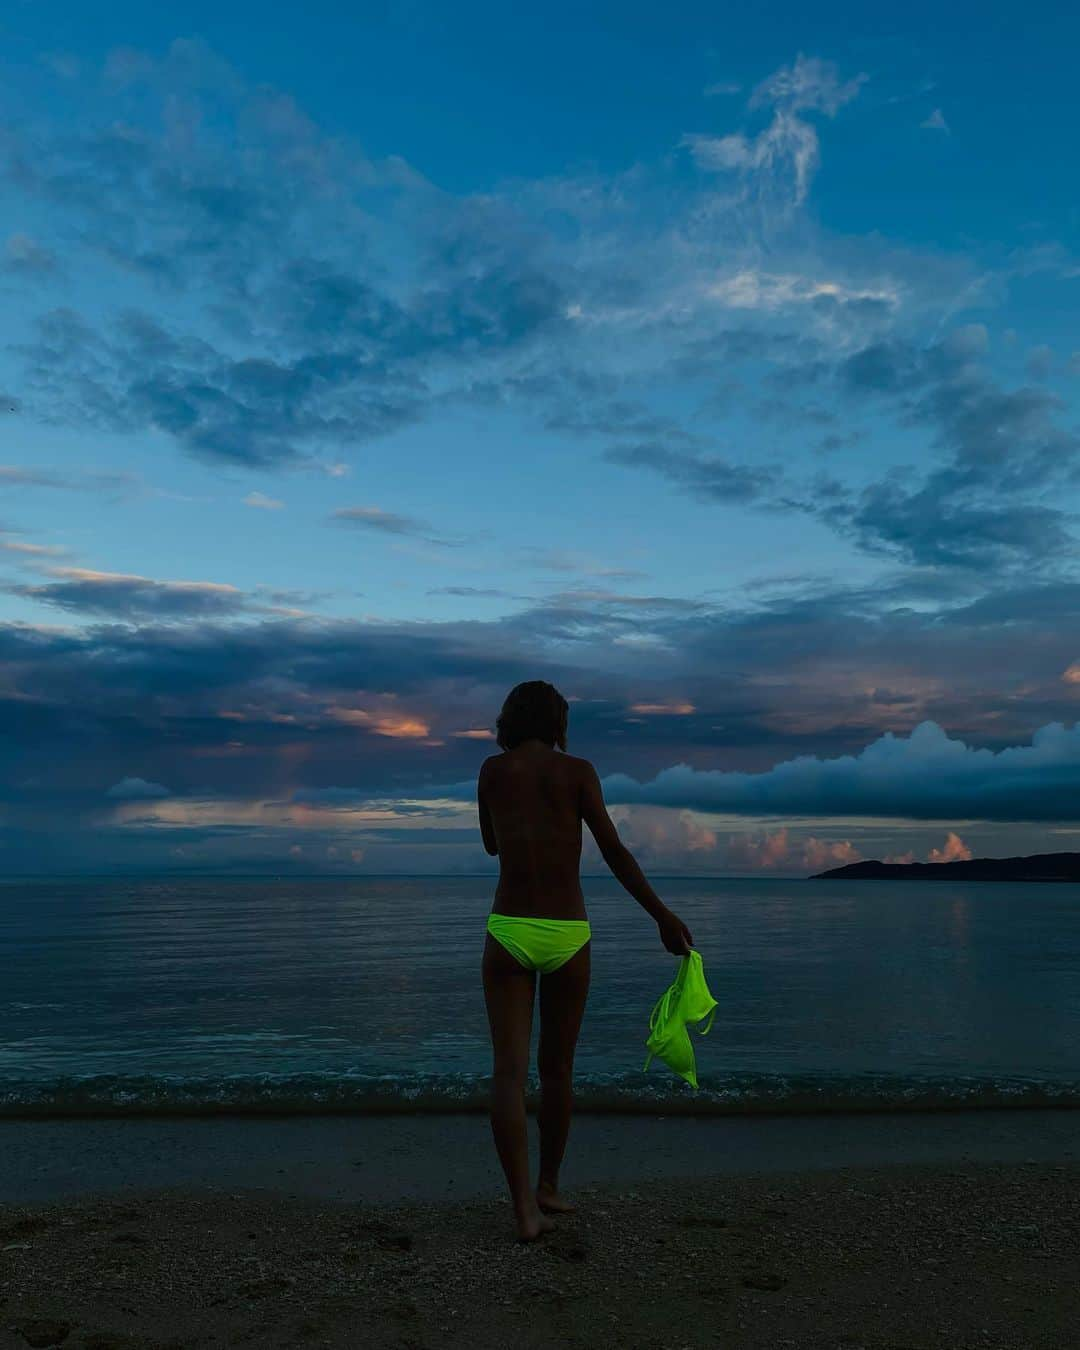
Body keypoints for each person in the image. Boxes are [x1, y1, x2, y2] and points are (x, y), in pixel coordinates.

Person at [478, 679, 694, 1241]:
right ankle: (549, 1185)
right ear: (558, 723)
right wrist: (662, 916)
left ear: (508, 721)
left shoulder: (490, 773)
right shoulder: (579, 772)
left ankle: (525, 1210)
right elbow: (615, 852)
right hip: (568, 932)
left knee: (508, 1073)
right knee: (558, 1070)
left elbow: (491, 845)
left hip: (509, 929)